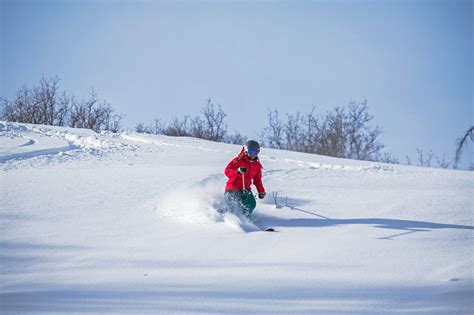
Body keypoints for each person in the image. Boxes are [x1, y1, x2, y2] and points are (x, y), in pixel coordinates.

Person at [223, 140, 266, 218]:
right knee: (231, 203)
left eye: (256, 152)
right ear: (246, 150)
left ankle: (244, 219)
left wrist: (261, 191)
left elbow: (257, 180)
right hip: (233, 187)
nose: (253, 154)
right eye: (251, 151)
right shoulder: (238, 160)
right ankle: (225, 219)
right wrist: (237, 171)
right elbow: (227, 171)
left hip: (245, 189)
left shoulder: (256, 165)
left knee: (251, 203)